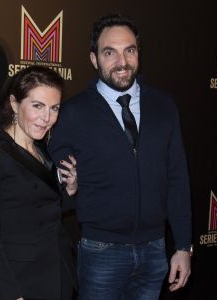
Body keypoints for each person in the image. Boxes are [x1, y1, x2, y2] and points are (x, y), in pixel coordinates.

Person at [48, 13, 192, 300]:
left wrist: (183, 246)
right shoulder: (73, 113)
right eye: (109, 52)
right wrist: (69, 186)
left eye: (130, 50)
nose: (122, 62)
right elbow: (55, 185)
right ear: (94, 59)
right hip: (101, 251)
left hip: (155, 250)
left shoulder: (164, 107)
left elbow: (177, 177)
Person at [0, 66, 78, 300]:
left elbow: (44, 210)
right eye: (37, 106)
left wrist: (69, 190)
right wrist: (10, 294)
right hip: (20, 282)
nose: (47, 118)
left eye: (54, 108)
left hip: (57, 275)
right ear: (15, 104)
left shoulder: (41, 150)